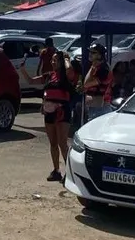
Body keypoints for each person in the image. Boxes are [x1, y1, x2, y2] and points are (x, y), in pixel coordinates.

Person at [20, 51, 72, 182]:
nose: (52, 62)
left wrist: (66, 59)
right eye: (52, 60)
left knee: (62, 144)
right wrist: (22, 70)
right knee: (53, 143)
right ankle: (56, 171)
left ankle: (70, 172)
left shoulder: (66, 76)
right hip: (49, 112)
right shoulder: (49, 76)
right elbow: (31, 81)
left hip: (62, 111)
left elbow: (70, 70)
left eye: (56, 60)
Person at [82, 42, 113, 120]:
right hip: (96, 106)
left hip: (101, 107)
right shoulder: (97, 67)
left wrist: (92, 66)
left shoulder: (103, 69)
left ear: (100, 55)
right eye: (90, 52)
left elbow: (86, 84)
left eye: (93, 52)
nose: (90, 54)